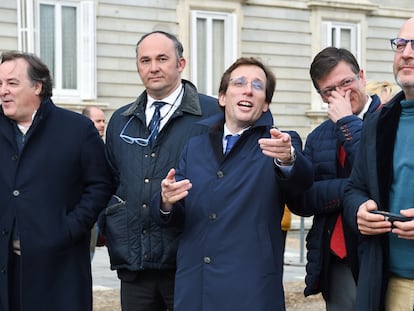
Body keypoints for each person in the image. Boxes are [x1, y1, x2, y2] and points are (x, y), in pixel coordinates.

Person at [150, 56, 314, 310]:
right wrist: (166, 201)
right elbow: (175, 214)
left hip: (249, 290)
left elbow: (301, 183)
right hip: (196, 287)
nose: (248, 89)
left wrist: (288, 158)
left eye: (258, 86)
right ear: (223, 97)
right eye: (239, 83)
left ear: (265, 104)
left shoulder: (280, 142)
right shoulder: (195, 146)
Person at [103, 30, 218, 310]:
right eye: (145, 60)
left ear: (181, 64)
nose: (153, 67)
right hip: (135, 265)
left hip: (189, 261)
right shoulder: (121, 120)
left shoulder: (213, 114)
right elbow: (111, 182)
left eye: (162, 58)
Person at [0, 51, 113, 311]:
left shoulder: (77, 129)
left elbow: (101, 185)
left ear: (37, 86)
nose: (3, 90)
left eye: (12, 83)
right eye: (0, 84)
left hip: (58, 272)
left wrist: (69, 228)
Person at [287, 47, 382, 310]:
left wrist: (348, 123)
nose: (340, 94)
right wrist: (351, 192)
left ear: (361, 76)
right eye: (329, 90)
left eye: (346, 83)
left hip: (380, 252)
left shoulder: (389, 119)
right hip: (335, 256)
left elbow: (380, 177)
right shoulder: (319, 136)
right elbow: (302, 199)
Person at [343, 17, 414, 311]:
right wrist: (359, 210)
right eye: (401, 44)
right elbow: (354, 189)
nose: (407, 53)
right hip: (392, 284)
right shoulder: (378, 121)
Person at [82, 106, 106, 260]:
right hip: (84, 210)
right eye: (98, 121)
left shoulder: (104, 146)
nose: (102, 124)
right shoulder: (79, 146)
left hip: (99, 213)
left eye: (104, 121)